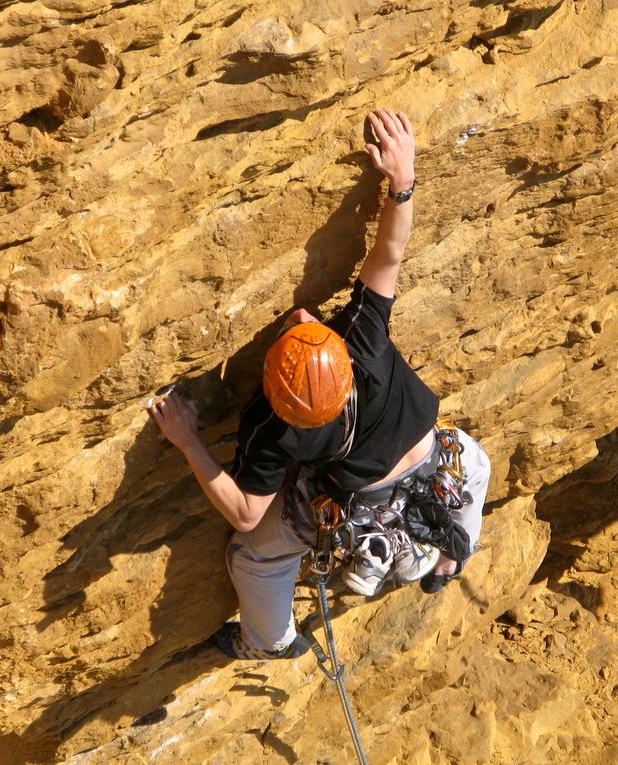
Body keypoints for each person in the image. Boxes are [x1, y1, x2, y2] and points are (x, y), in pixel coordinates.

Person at [150, 108, 491, 660]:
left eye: (304, 331)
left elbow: (246, 515)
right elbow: (390, 254)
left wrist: (188, 441)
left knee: (254, 558)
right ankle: (451, 555)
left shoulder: (272, 426)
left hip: (361, 502)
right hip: (441, 461)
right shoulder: (362, 344)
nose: (304, 317)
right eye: (303, 332)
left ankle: (269, 642)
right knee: (476, 466)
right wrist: (402, 182)